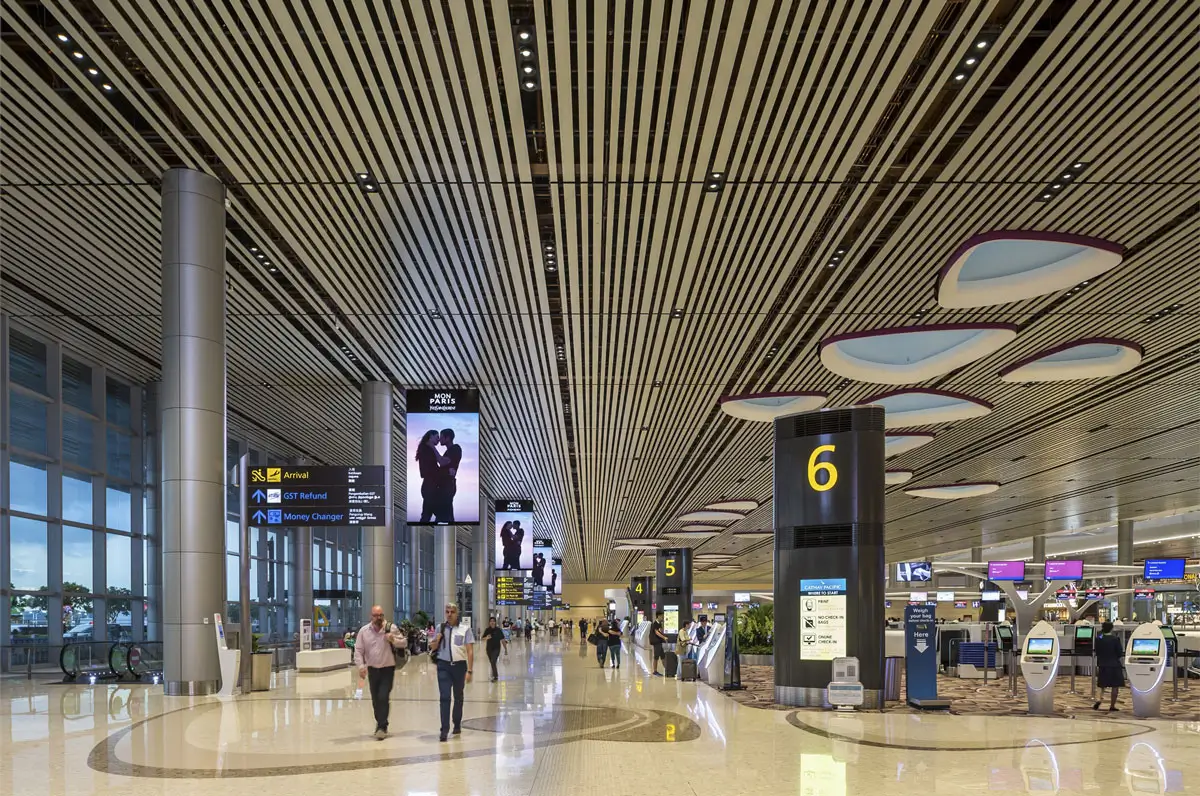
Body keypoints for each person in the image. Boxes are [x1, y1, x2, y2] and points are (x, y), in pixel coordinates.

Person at [353, 605, 404, 740]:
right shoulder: (364, 631)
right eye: (376, 615)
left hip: (388, 668)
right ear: (371, 616)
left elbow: (404, 643)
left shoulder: (391, 628)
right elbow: (358, 650)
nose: (379, 618)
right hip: (372, 669)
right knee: (375, 699)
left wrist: (394, 640)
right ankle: (380, 722)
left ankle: (382, 726)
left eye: (381, 615)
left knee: (383, 696)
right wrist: (361, 666)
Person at [429, 602, 474, 742]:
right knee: (445, 697)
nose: (449, 614)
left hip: (459, 666)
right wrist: (437, 640)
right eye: (447, 612)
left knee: (458, 697)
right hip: (443, 666)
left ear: (457, 613)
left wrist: (470, 671)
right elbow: (432, 647)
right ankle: (444, 730)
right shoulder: (440, 628)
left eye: (452, 612)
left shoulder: (465, 629)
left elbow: (470, 651)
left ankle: (457, 722)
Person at [1094, 621, 1124, 711]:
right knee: (1115, 686)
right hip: (1114, 665)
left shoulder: (1099, 638)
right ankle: (1112, 705)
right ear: (1112, 628)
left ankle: (1098, 699)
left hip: (1102, 664)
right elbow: (1119, 653)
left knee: (1101, 684)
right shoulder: (1115, 639)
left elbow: (1097, 651)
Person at [415, 430, 443, 523]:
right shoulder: (427, 449)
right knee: (442, 514)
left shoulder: (424, 448)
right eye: (437, 437)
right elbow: (432, 468)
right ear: (431, 436)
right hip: (431, 486)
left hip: (428, 486)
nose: (439, 440)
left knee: (426, 515)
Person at [435, 428, 462, 523]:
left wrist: (432, 447)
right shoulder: (448, 452)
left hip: (448, 484)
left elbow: (442, 462)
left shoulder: (455, 448)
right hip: (445, 485)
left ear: (448, 438)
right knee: (444, 513)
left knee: (446, 514)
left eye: (441, 437)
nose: (439, 439)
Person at [481, 617, 504, 681]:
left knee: (493, 661)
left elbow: (502, 639)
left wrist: (506, 649)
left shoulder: (498, 630)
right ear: (489, 622)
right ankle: (493, 673)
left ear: (495, 622)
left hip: (497, 648)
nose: (492, 622)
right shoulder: (487, 630)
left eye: (493, 621)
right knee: (492, 662)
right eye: (491, 621)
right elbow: (482, 638)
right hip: (489, 649)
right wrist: (486, 637)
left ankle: (495, 676)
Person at [650, 612, 668, 677]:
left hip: (659, 642)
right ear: (658, 616)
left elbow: (660, 631)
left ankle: (667, 670)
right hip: (656, 642)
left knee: (663, 656)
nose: (663, 617)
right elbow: (657, 632)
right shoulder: (655, 623)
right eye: (662, 616)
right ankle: (655, 671)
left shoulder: (659, 623)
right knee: (656, 657)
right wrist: (664, 637)